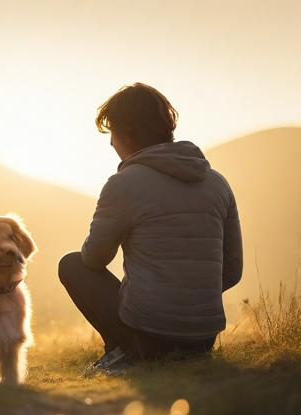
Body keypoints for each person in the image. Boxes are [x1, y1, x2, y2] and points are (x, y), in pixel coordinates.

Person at [58, 83, 243, 372]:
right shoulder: (218, 182)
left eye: (113, 133)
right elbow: (232, 270)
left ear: (128, 134)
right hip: (204, 339)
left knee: (71, 264)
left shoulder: (123, 184)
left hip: (149, 335)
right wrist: (187, 300)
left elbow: (93, 259)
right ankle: (143, 350)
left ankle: (124, 353)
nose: (111, 144)